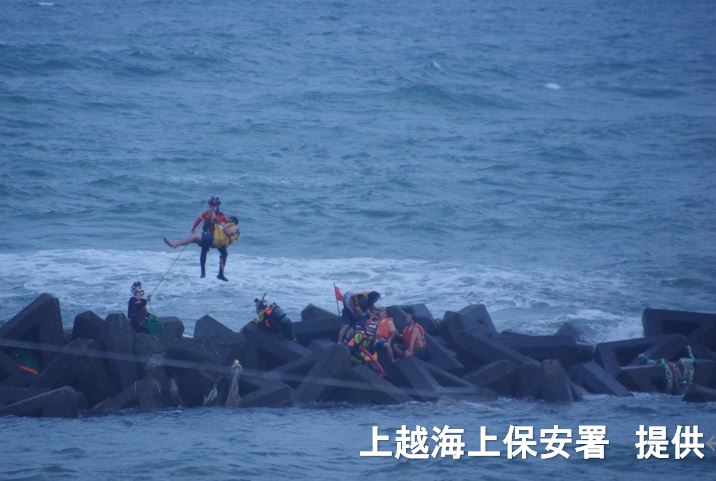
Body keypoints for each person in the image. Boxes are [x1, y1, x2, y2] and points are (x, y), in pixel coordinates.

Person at [164, 216, 239, 281]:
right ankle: (218, 274)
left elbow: (229, 232)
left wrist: (221, 223)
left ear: (232, 221)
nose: (227, 220)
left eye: (229, 219)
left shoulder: (234, 226)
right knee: (223, 253)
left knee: (194, 237)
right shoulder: (225, 225)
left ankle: (175, 244)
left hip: (216, 241)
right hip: (218, 242)